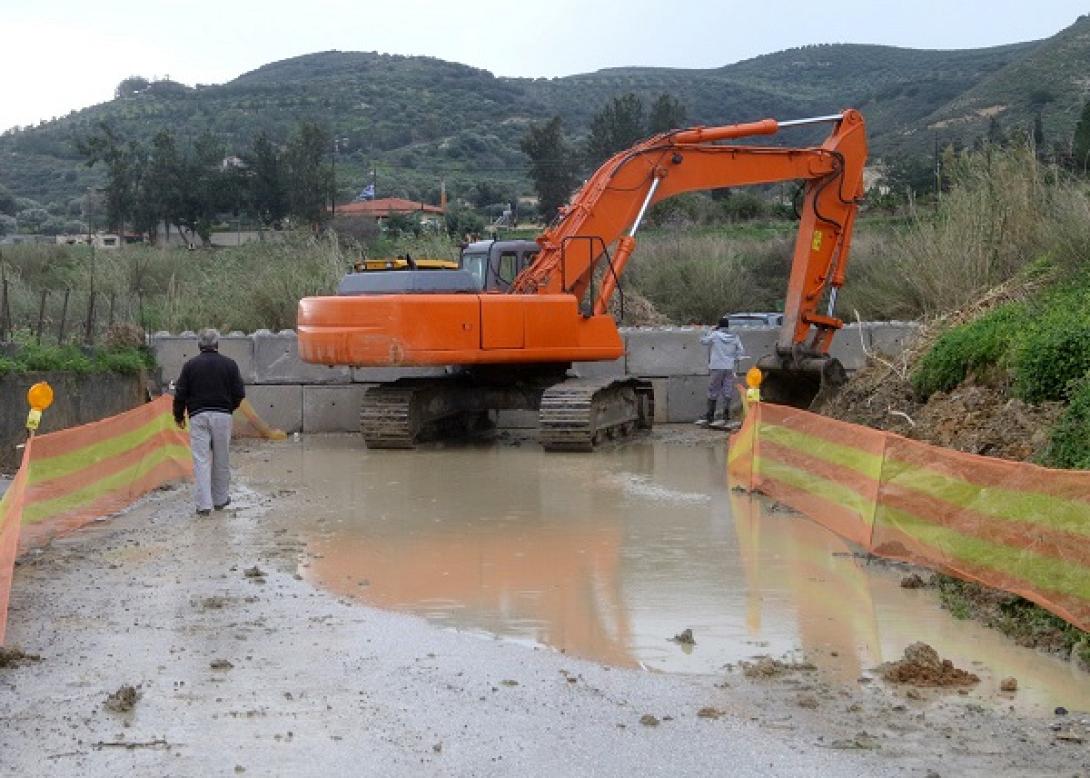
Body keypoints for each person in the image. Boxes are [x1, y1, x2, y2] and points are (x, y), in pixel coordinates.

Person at [173, 329, 245, 516]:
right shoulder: (230, 365)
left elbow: (180, 393)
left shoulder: (190, 366)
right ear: (217, 344)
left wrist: (179, 415)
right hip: (223, 415)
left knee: (201, 460)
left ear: (199, 345)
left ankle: (204, 505)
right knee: (222, 458)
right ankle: (220, 500)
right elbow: (239, 393)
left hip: (198, 416)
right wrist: (229, 408)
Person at [697, 317, 746, 427]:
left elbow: (703, 341)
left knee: (713, 390)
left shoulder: (715, 335)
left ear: (719, 325)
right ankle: (725, 415)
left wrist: (710, 330)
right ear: (728, 326)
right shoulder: (735, 337)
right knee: (727, 390)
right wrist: (734, 358)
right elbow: (741, 351)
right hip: (729, 367)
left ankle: (710, 415)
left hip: (717, 366)